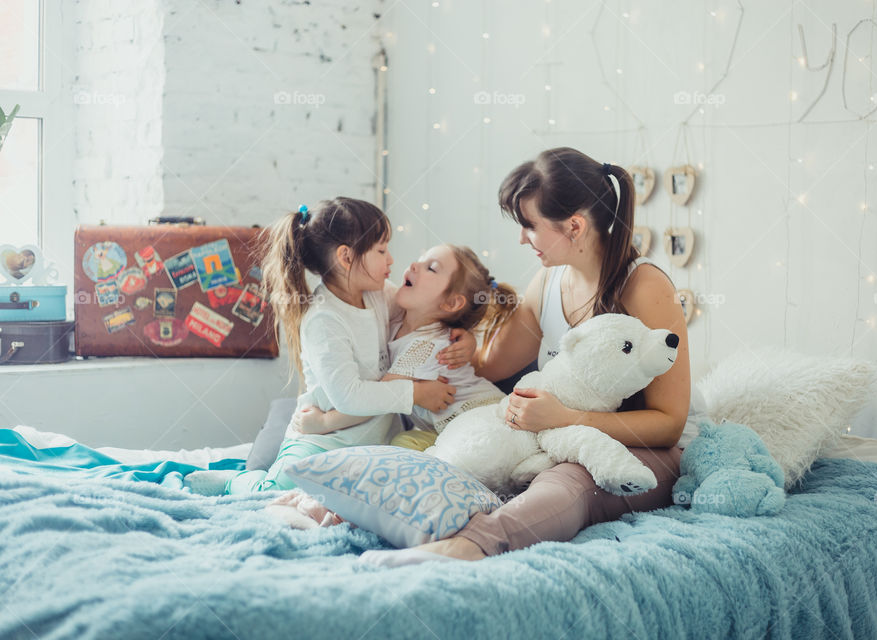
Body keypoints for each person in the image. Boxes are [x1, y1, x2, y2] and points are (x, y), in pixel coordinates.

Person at [361, 147, 706, 566]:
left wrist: (566, 419)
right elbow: (492, 367)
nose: (521, 238)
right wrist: (467, 345)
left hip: (650, 450)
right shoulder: (549, 280)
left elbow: (669, 425)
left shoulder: (645, 287)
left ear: (574, 226)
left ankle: (471, 546)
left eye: (529, 225)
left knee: (568, 481)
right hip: (561, 436)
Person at [184, 198, 472, 495]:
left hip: (376, 438)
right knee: (276, 490)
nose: (391, 261)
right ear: (346, 258)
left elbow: (422, 314)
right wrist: (417, 393)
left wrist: (465, 334)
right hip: (324, 438)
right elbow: (349, 396)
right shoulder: (324, 320)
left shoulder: (377, 295)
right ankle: (236, 482)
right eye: (381, 250)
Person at [293, 243, 516, 451]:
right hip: (448, 428)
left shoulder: (425, 346)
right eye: (420, 259)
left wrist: (323, 422)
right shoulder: (397, 320)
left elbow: (379, 401)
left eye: (431, 268)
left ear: (451, 303)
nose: (414, 265)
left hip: (478, 419)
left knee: (401, 446)